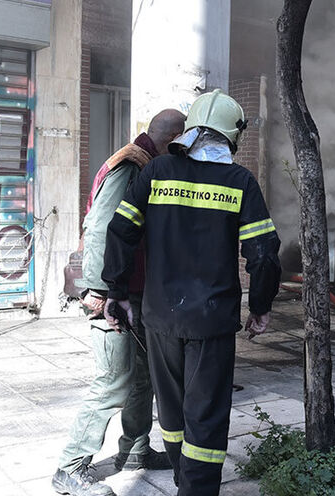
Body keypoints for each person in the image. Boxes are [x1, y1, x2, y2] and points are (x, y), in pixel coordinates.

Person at [101, 89, 281, 496]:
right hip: (211, 322)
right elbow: (264, 253)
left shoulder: (156, 171)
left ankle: (184, 482)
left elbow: (120, 231)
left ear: (192, 128)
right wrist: (262, 305)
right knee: (206, 417)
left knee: (172, 414)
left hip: (160, 318)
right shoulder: (240, 182)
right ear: (232, 135)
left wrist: (117, 292)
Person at [52, 109, 186, 496]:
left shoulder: (147, 162)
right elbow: (100, 228)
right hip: (113, 294)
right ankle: (69, 467)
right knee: (114, 380)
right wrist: (101, 291)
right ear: (173, 138)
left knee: (142, 378)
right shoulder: (132, 165)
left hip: (132, 293)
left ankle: (135, 451)